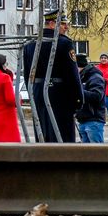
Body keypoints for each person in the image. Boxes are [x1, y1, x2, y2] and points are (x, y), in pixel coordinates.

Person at [22, 11, 83, 143]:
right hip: (60, 94)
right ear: (51, 24)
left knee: (42, 133)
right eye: (63, 24)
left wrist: (32, 93)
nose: (66, 27)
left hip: (37, 93)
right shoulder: (63, 43)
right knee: (62, 136)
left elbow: (27, 74)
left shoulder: (30, 43)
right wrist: (78, 99)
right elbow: (72, 75)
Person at [75, 53, 106, 143]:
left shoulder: (94, 77)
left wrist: (77, 93)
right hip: (83, 120)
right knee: (86, 154)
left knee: (97, 153)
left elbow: (97, 96)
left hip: (93, 120)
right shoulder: (82, 77)